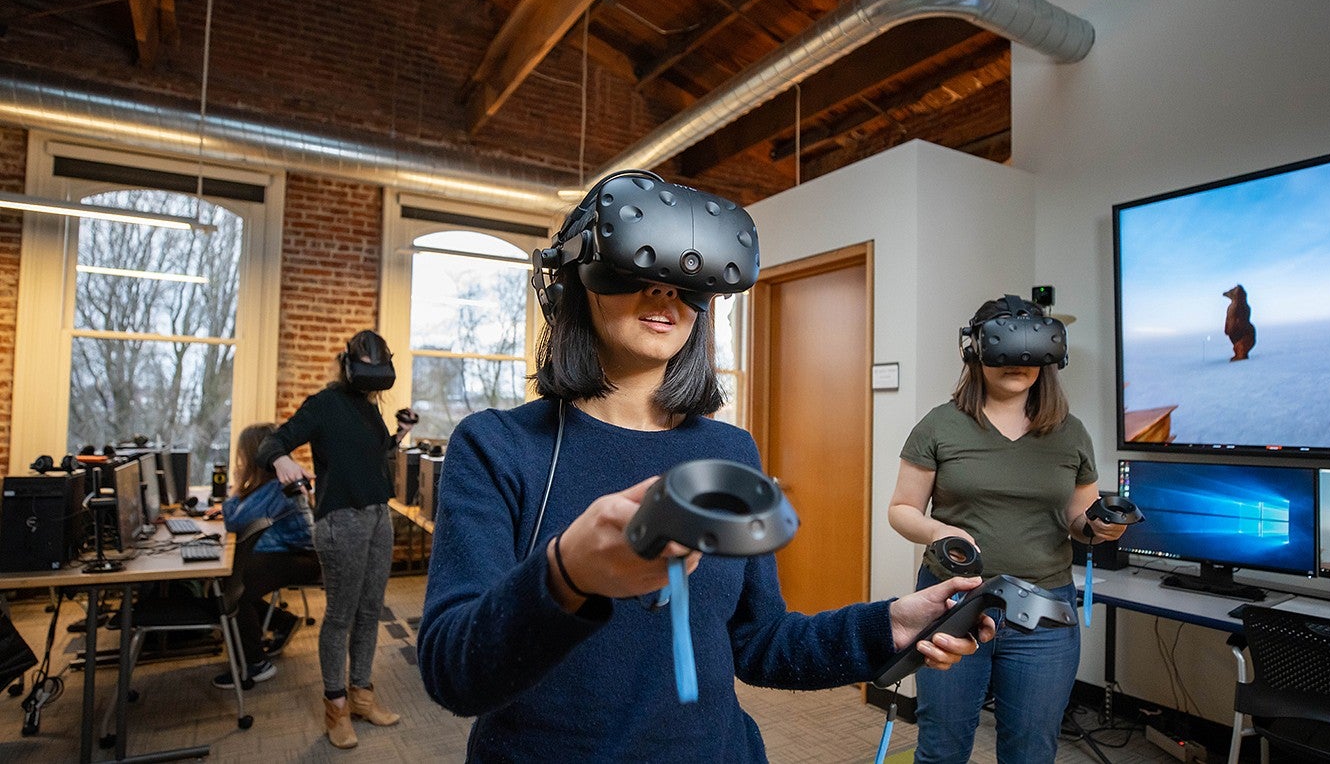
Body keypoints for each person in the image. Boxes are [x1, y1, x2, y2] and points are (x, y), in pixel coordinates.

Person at [417, 174, 995, 763]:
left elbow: (759, 641)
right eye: (637, 269)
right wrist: (567, 575)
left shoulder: (730, 451)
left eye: (685, 282)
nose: (664, 293)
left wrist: (888, 626)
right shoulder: (497, 447)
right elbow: (453, 671)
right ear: (571, 281)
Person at [887, 295, 1129, 764]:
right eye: (1003, 344)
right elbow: (901, 509)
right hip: (955, 601)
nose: (1018, 361)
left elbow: (1079, 520)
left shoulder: (1070, 432)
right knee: (942, 745)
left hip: (1045, 609)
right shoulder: (940, 425)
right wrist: (938, 531)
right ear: (975, 350)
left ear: (1049, 354)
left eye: (1030, 347)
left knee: (1031, 750)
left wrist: (1099, 528)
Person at [259, 330, 417, 749]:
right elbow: (270, 443)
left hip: (378, 516)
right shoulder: (324, 405)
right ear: (347, 365)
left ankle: (362, 696)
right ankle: (336, 707)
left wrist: (399, 433)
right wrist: (282, 459)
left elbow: (377, 450)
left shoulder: (368, 407)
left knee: (370, 611)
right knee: (341, 616)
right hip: (340, 521)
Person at [208, 422, 321, 688]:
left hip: (304, 559)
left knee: (236, 586)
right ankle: (283, 622)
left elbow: (235, 520)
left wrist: (236, 485)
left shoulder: (278, 487)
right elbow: (239, 514)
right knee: (231, 580)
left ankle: (255, 664)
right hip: (285, 554)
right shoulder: (268, 485)